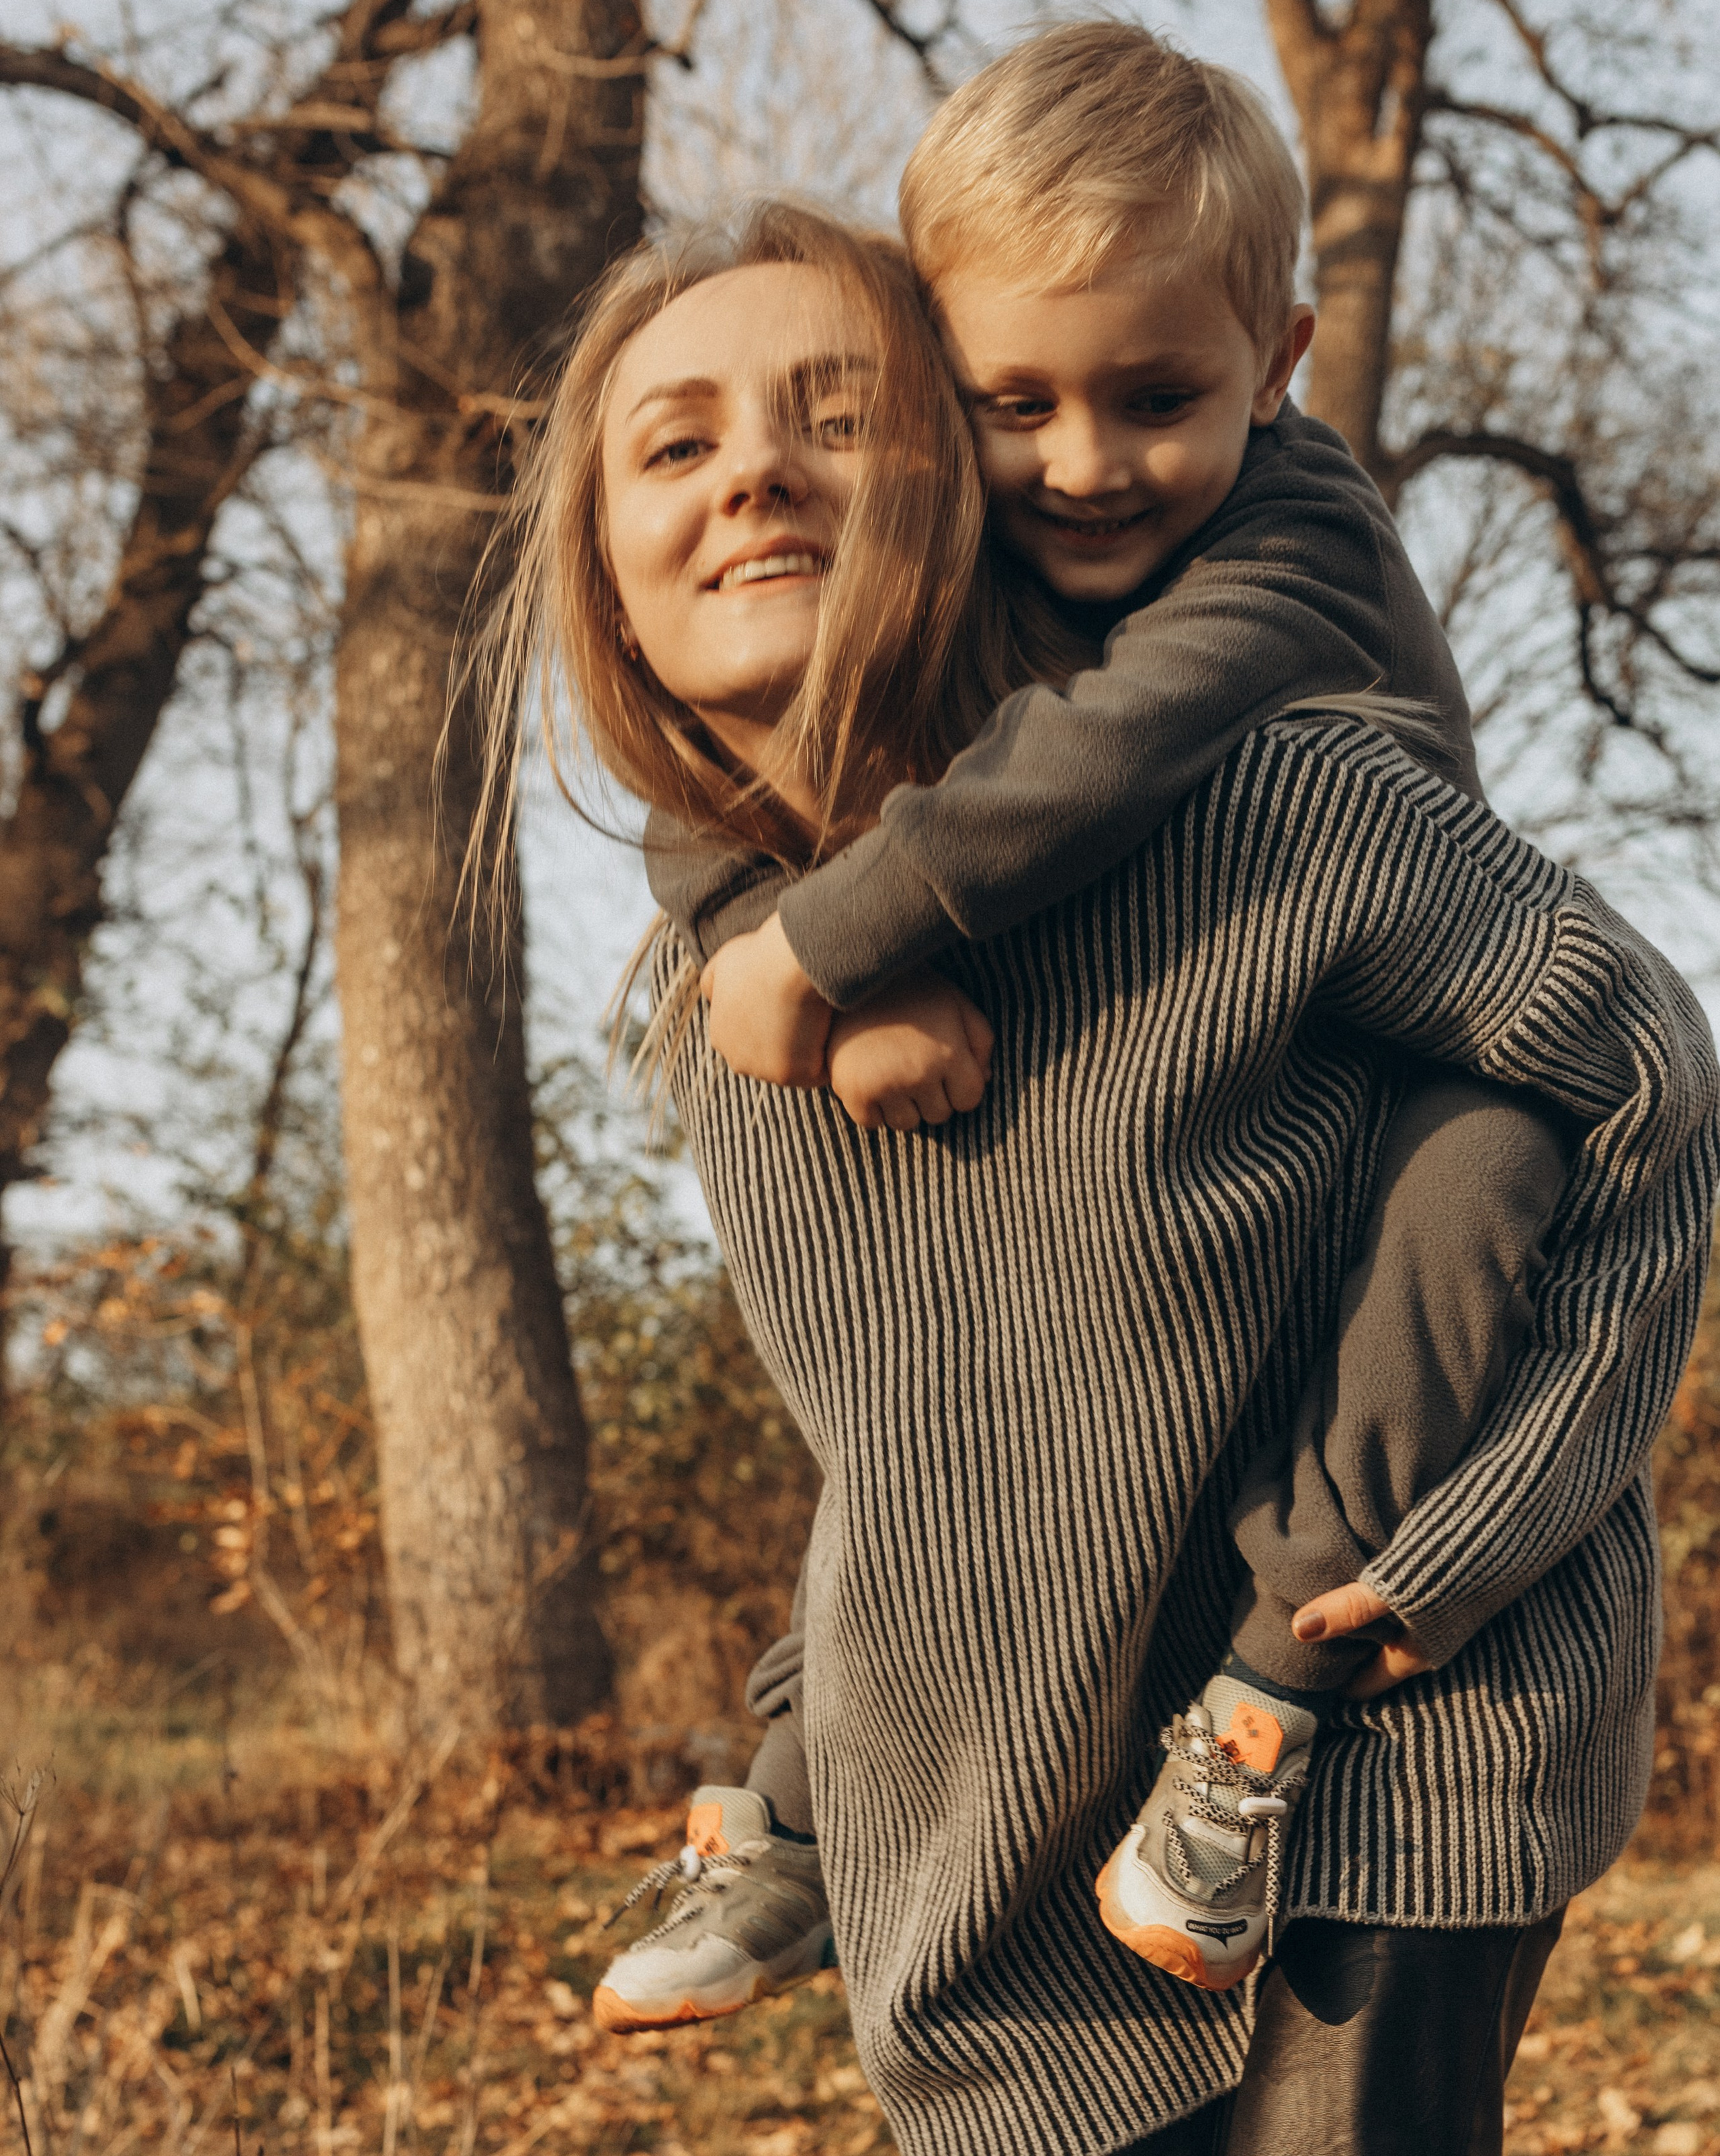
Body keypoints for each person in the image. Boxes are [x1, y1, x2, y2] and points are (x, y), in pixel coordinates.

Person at [469, 198, 1718, 2155]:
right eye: (676, 442)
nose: (755, 474)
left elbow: (1647, 1085)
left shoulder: (1266, 804)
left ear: (955, 489)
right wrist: (811, 1757)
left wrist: (1473, 1541)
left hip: (1385, 1769)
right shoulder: (735, 1013)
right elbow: (923, 1442)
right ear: (605, 574)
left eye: (834, 417)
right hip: (1020, 1839)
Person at [636, 26, 1576, 2003]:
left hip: (1396, 1053)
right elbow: (737, 778)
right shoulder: (974, 539)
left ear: (1280, 363)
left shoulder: (1291, 537)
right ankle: (807, 1792)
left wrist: (834, 940)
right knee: (938, 1360)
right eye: (1015, 404)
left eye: (1157, 399)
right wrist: (774, 931)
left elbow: (1107, 751)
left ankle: (1268, 1696)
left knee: (1486, 1172)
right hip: (1165, 1112)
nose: (1081, 464)